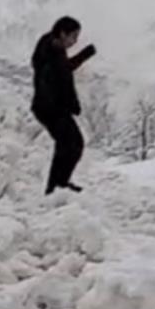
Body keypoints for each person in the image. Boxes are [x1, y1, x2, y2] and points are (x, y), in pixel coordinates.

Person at [31, 16, 97, 195]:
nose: (75, 41)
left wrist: (84, 55)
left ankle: (58, 185)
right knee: (72, 144)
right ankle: (56, 186)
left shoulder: (53, 48)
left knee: (69, 145)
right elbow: (57, 78)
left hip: (53, 107)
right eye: (73, 36)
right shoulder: (49, 55)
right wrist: (67, 104)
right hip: (50, 108)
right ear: (62, 34)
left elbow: (64, 69)